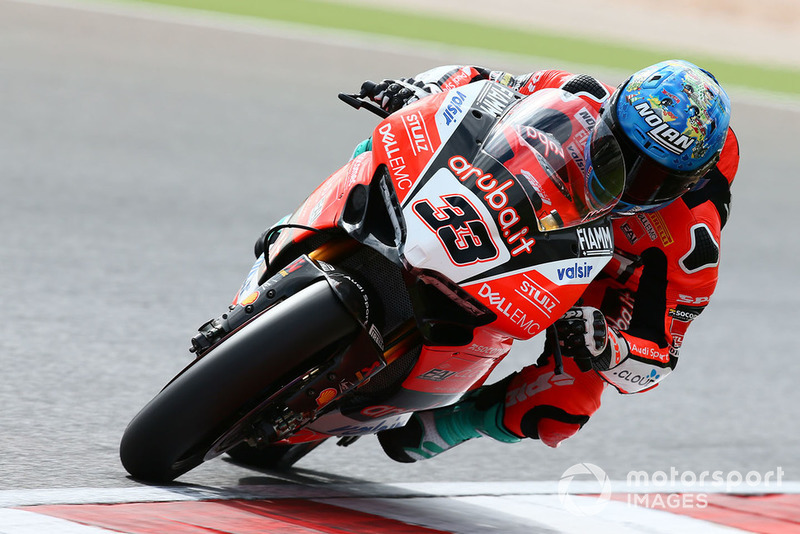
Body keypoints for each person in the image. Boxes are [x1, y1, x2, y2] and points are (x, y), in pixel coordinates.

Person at [355, 60, 740, 462]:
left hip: (597, 281)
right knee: (380, 147)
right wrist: (416, 89)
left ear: (689, 183)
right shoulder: (580, 94)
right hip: (520, 202)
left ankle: (455, 422)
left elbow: (660, 356)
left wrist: (608, 345)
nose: (622, 178)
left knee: (564, 407)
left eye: (650, 178)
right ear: (611, 116)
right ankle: (294, 232)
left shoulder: (691, 244)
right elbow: (481, 82)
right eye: (617, 150)